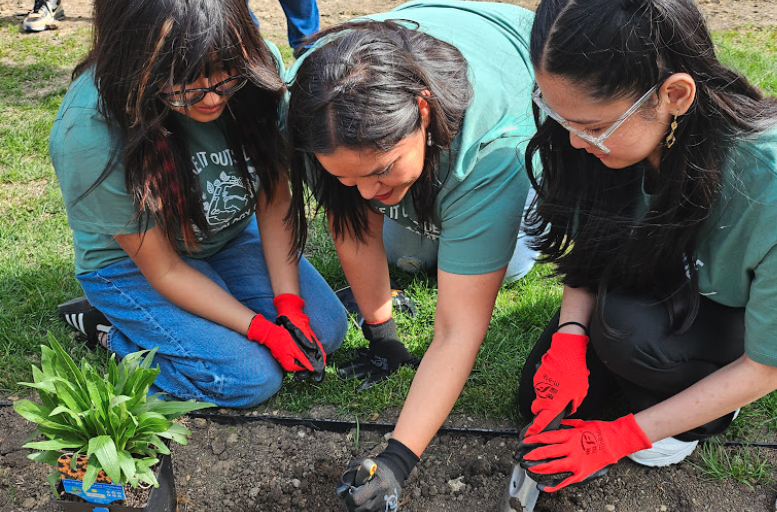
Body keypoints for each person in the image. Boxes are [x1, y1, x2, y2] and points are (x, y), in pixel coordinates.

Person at [285, 1, 538, 508]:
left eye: (381, 169)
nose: (365, 192)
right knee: (408, 254)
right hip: (409, 48)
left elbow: (458, 329)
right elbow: (352, 221)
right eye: (344, 176)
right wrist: (383, 336)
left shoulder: (494, 145)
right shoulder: (314, 107)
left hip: (510, 60)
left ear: (422, 112)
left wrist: (396, 461)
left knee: (510, 266)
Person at [516, 0, 777, 493]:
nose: (574, 142)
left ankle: (709, 402)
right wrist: (570, 336)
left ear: (674, 95)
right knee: (539, 397)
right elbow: (592, 248)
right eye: (561, 118)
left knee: (629, 337)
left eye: (593, 128)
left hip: (732, 312)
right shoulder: (595, 136)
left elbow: (767, 366)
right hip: (656, 272)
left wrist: (620, 437)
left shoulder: (767, 189)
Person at [50, 0, 347, 408]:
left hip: (225, 234)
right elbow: (165, 269)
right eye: (186, 79)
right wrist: (261, 330)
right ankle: (111, 331)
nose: (212, 95)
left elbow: (275, 200)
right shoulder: (89, 130)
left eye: (226, 72)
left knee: (327, 329)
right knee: (249, 378)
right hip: (133, 265)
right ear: (140, 64)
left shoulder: (254, 69)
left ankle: (195, 322)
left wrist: (288, 305)